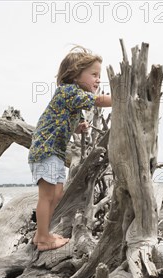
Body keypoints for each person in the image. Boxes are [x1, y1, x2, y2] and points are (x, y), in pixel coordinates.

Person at [28, 46, 112, 251]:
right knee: (47, 196)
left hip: (54, 153)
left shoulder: (72, 99)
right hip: (46, 151)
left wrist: (78, 127)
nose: (98, 79)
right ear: (75, 75)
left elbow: (61, 119)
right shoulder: (68, 91)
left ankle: (41, 235)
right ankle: (43, 238)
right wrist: (123, 98)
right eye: (94, 74)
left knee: (56, 195)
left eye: (99, 75)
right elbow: (99, 101)